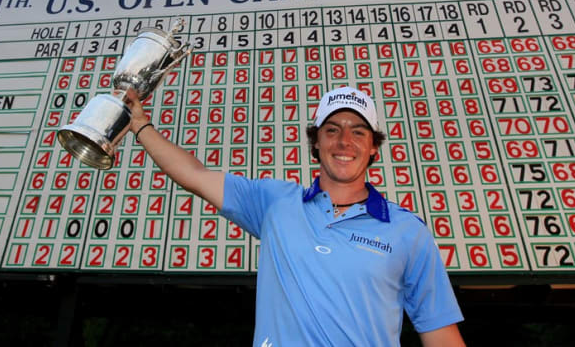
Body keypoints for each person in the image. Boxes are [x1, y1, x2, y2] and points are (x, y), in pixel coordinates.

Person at [123, 85, 465, 346]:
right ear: (315, 142)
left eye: (358, 131)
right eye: (332, 129)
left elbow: (440, 333)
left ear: (374, 146)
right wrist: (140, 125)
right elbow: (193, 175)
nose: (345, 141)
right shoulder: (275, 202)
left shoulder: (408, 230)